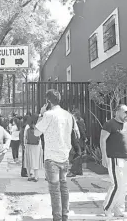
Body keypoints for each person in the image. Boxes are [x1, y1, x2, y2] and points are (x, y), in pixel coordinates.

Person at [33, 89, 80, 221]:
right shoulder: (68, 115)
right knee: (63, 187)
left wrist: (40, 115)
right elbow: (76, 134)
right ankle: (64, 216)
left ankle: (57, 218)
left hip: (51, 157)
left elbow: (36, 132)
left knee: (55, 190)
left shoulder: (48, 114)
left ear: (48, 101)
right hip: (64, 156)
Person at [100, 104, 127, 218]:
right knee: (117, 185)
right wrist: (104, 156)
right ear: (117, 112)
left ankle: (119, 209)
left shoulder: (126, 125)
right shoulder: (109, 124)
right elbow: (102, 140)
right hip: (114, 159)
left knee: (124, 186)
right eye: (125, 112)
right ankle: (107, 208)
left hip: (126, 159)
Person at [67, 109, 87, 177]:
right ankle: (79, 171)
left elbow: (81, 131)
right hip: (80, 140)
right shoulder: (81, 121)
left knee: (77, 155)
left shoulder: (78, 122)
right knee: (79, 155)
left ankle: (73, 171)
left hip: (78, 140)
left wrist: (84, 138)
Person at [24, 114, 44, 182]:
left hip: (28, 145)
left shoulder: (27, 127)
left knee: (28, 161)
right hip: (37, 146)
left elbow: (25, 137)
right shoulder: (38, 127)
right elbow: (40, 136)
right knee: (36, 161)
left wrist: (25, 145)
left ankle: (29, 176)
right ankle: (36, 176)